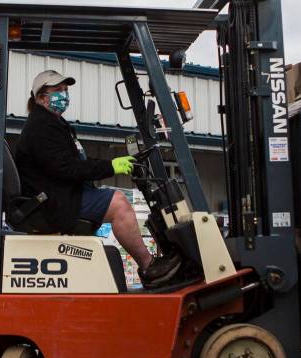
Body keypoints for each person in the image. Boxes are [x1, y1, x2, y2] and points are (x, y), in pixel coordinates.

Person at [14, 69, 181, 287]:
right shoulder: (42, 127)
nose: (64, 95)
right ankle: (149, 266)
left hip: (57, 195)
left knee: (115, 198)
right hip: (52, 203)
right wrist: (111, 166)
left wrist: (111, 165)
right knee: (119, 204)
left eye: (65, 90)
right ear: (41, 97)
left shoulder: (52, 124)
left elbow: (76, 162)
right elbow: (68, 168)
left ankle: (152, 263)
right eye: (58, 91)